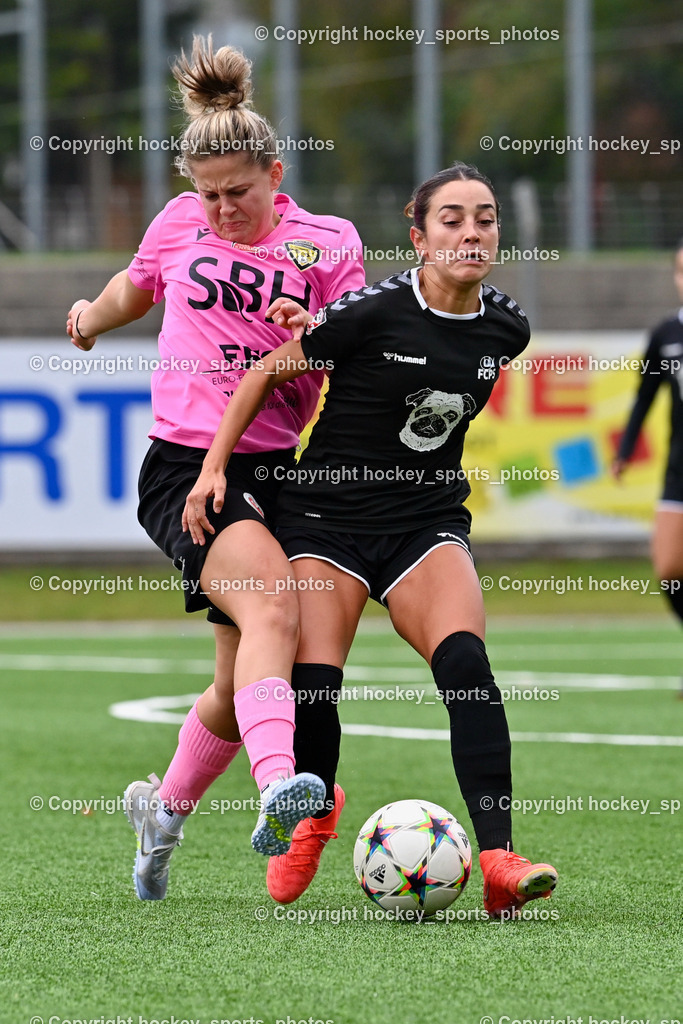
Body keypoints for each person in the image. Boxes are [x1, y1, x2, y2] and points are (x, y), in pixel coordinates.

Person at [183, 161, 559, 918]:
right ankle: (314, 818)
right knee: (315, 684)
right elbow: (264, 374)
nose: (472, 232)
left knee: (467, 666)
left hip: (425, 523)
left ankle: (497, 857)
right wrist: (213, 468)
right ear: (418, 238)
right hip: (326, 522)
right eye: (452, 219)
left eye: (485, 218)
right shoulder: (370, 313)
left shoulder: (507, 328)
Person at [66, 36, 365, 899]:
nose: (223, 210)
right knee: (273, 604)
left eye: (239, 192)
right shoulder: (176, 224)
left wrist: (311, 333)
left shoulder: (327, 243)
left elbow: (355, 346)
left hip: (278, 468)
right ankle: (278, 788)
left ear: (275, 174)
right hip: (188, 469)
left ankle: (161, 816)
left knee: (237, 686)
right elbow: (135, 287)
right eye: (209, 195)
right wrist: (89, 318)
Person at [613, 240, 683, 674]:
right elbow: (644, 398)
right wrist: (625, 451)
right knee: (670, 569)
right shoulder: (666, 335)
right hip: (679, 470)